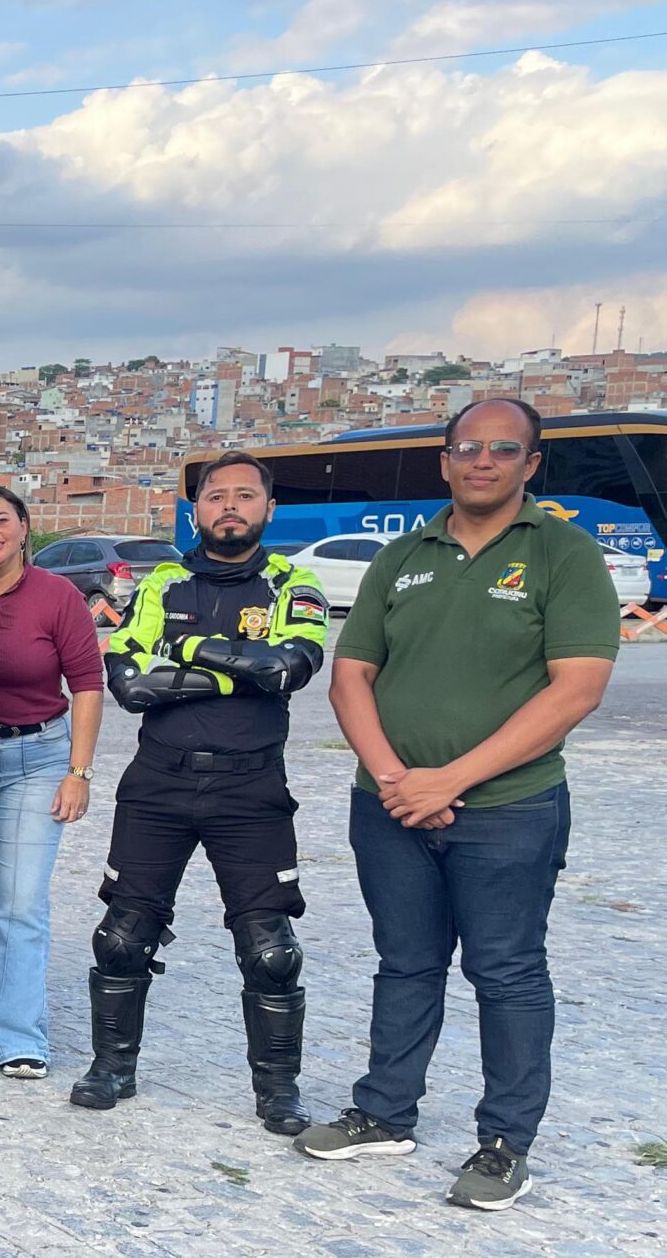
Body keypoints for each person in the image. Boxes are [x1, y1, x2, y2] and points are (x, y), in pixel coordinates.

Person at [296, 398, 620, 1209]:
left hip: (509, 808)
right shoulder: (403, 555)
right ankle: (384, 1112)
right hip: (390, 805)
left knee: (506, 972)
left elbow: (576, 687)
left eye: (502, 449)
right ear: (444, 461)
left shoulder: (564, 556)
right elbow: (351, 676)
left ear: (531, 463)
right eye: (467, 447)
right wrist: (400, 779)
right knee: (405, 963)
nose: (483, 461)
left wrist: (453, 779)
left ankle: (505, 1142)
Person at [69, 451, 328, 1133]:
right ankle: (113, 1068)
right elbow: (125, 677)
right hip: (160, 779)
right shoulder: (163, 583)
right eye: (217, 496)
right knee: (122, 938)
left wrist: (181, 653)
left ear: (269, 509)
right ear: (197, 509)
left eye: (246, 496)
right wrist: (228, 662)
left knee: (271, 949)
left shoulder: (293, 582)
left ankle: (278, 1090)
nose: (230, 507)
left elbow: (283, 668)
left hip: (251, 783)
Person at [0, 484, 105, 1080]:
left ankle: (15, 1036)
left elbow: (87, 684)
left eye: (0, 520)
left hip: (36, 758)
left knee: (19, 903)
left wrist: (79, 772)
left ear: (22, 527)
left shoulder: (57, 595)